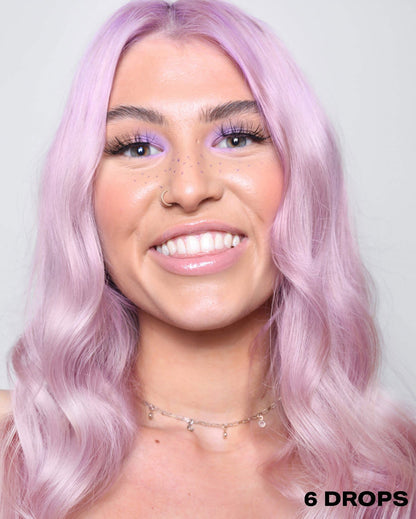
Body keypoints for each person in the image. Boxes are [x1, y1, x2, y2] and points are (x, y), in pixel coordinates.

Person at [1, 0, 415, 517]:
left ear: (305, 178)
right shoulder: (13, 452)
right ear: (81, 194)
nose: (190, 189)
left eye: (237, 138)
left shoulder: (390, 475)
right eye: (136, 148)